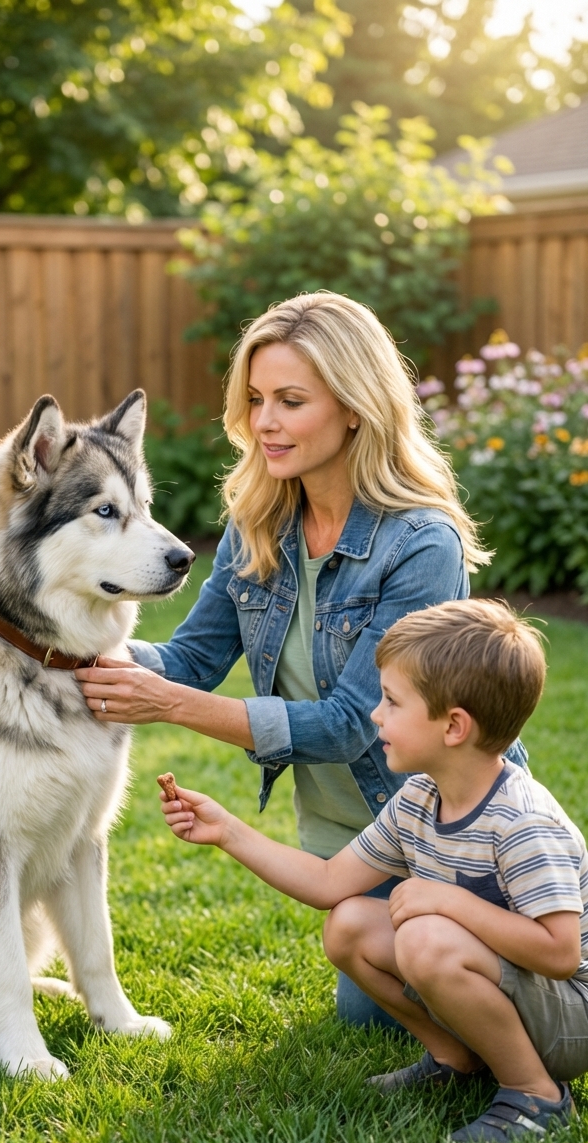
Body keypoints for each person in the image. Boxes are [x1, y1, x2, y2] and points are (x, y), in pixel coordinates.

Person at [76, 291, 527, 1025]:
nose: (264, 423)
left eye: (290, 400)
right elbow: (188, 658)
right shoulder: (257, 522)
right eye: (254, 399)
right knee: (369, 1016)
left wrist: (170, 707)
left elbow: (353, 723)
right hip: (356, 845)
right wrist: (62, 646)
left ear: (354, 406)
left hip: (456, 837)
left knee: (452, 1003)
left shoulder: (420, 544)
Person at [160, 599, 586, 1143]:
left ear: (454, 726)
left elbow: (560, 954)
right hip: (513, 989)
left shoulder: (521, 819)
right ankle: (455, 1059)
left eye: (391, 701)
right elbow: (328, 883)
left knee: (427, 938)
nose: (375, 714)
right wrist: (227, 830)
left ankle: (537, 1095)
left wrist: (447, 901)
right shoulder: (420, 796)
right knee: (351, 924)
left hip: (573, 1015)